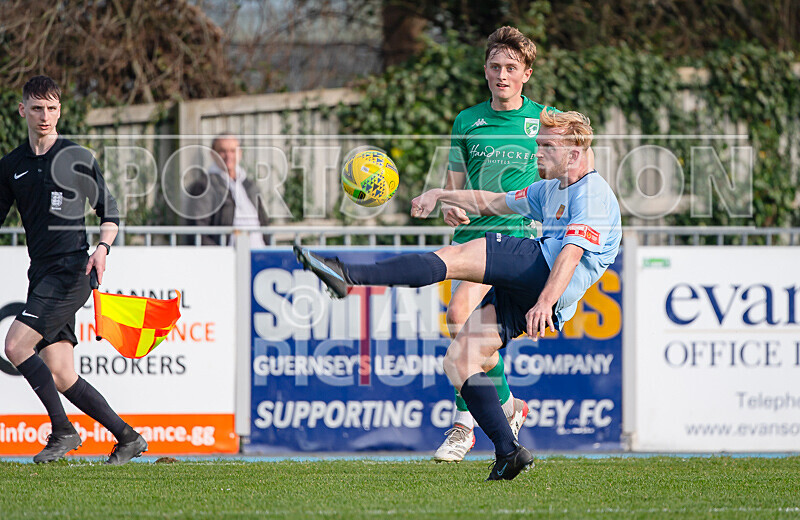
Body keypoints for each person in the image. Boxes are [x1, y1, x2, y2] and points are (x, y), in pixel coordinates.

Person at [295, 109, 621, 480]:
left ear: (575, 154)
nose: (537, 153)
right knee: (459, 360)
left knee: (453, 257)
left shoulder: (592, 193)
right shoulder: (550, 189)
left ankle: (347, 274)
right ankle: (508, 452)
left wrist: (545, 301)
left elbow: (572, 252)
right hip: (539, 287)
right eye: (537, 144)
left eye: (547, 146)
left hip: (544, 274)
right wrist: (441, 193)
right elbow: (494, 202)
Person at [0, 75, 148, 464]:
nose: (44, 116)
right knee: (62, 374)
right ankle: (128, 437)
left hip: (73, 272)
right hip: (41, 275)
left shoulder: (76, 157)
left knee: (15, 345)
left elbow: (110, 212)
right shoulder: (11, 166)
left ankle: (63, 431)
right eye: (36, 108)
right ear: (23, 111)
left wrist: (102, 248)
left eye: (51, 108)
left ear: (60, 110)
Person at [435, 26, 546, 462]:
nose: (502, 74)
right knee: (462, 325)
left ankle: (465, 425)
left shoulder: (545, 120)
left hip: (517, 238)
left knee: (461, 316)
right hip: (472, 237)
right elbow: (452, 186)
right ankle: (507, 406)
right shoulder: (466, 120)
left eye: (511, 68)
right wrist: (448, 206)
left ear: (526, 74)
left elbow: (568, 172)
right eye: (495, 67)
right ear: (485, 70)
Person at [185, 134, 270, 247]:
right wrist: (221, 256)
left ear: (240, 153)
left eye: (232, 151)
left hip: (259, 254)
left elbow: (263, 223)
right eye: (222, 151)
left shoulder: (249, 185)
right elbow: (197, 229)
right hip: (228, 258)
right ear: (213, 154)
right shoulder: (204, 186)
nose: (228, 156)